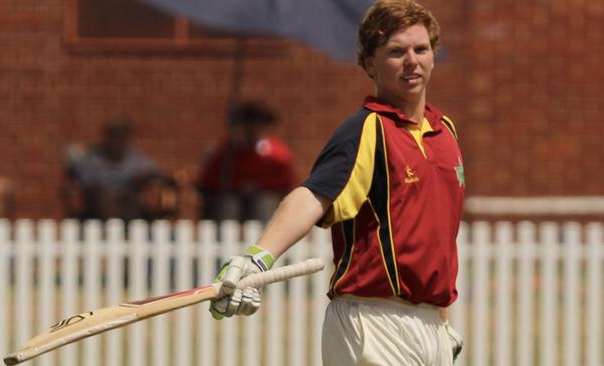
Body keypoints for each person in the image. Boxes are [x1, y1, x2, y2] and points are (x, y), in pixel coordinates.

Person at [209, 1, 465, 365]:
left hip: (429, 327)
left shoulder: (446, 133)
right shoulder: (366, 129)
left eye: (420, 49)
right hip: (374, 323)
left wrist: (439, 319)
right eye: (396, 52)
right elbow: (315, 194)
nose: (412, 60)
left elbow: (432, 241)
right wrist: (257, 259)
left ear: (433, 56)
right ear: (369, 63)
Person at [61, 116, 177, 222]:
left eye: (122, 137)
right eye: (114, 136)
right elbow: (77, 174)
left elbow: (157, 172)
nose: (118, 142)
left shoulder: (135, 160)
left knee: (137, 201)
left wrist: (152, 179)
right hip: (98, 208)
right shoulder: (92, 160)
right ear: (107, 138)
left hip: (130, 206)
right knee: (105, 197)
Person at [197, 100, 295, 223]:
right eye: (248, 123)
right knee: (227, 205)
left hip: (264, 198)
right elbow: (210, 181)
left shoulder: (277, 152)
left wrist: (260, 186)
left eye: (258, 124)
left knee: (264, 204)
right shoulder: (226, 152)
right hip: (234, 197)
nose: (253, 128)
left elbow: (286, 183)